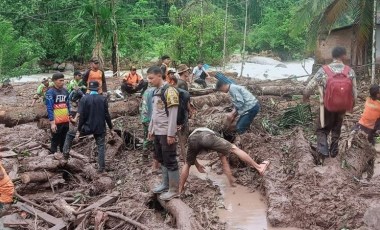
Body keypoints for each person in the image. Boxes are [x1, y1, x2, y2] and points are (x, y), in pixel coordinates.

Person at [303, 46, 357, 158]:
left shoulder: (324, 70)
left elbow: (310, 86)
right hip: (343, 105)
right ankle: (334, 149)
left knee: (321, 128)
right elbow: (354, 92)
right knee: (337, 127)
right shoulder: (350, 71)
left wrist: (306, 96)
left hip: (327, 105)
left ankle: (323, 151)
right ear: (343, 56)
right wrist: (351, 105)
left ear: (333, 56)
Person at [179, 127, 270, 193]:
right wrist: (231, 182)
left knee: (187, 164)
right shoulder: (216, 135)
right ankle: (259, 167)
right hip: (206, 136)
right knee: (234, 148)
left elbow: (191, 157)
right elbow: (224, 162)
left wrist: (198, 165)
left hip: (192, 139)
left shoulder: (194, 134)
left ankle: (180, 190)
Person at [148, 66, 180, 201]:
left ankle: (174, 189)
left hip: (167, 132)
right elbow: (155, 113)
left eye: (151, 78)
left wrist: (171, 134)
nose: (148, 80)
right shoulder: (156, 92)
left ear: (159, 76)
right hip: (158, 131)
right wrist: (151, 129)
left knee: (170, 160)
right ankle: (165, 184)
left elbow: (173, 114)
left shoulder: (170, 91)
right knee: (161, 158)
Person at [78, 81, 114, 173]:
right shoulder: (103, 99)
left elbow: (82, 116)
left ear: (89, 89)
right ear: (98, 88)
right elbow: (107, 115)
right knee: (101, 146)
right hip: (99, 127)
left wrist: (79, 129)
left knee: (73, 136)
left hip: (87, 128)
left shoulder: (84, 99)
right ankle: (101, 168)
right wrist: (111, 127)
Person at [45, 73, 70, 154]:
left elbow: (68, 105)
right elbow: (49, 108)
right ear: (54, 81)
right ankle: (53, 157)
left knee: (64, 139)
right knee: (55, 140)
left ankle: (64, 157)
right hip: (56, 121)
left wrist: (70, 117)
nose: (62, 82)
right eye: (60, 81)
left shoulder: (65, 91)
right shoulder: (50, 92)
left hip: (65, 120)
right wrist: (52, 123)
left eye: (63, 80)